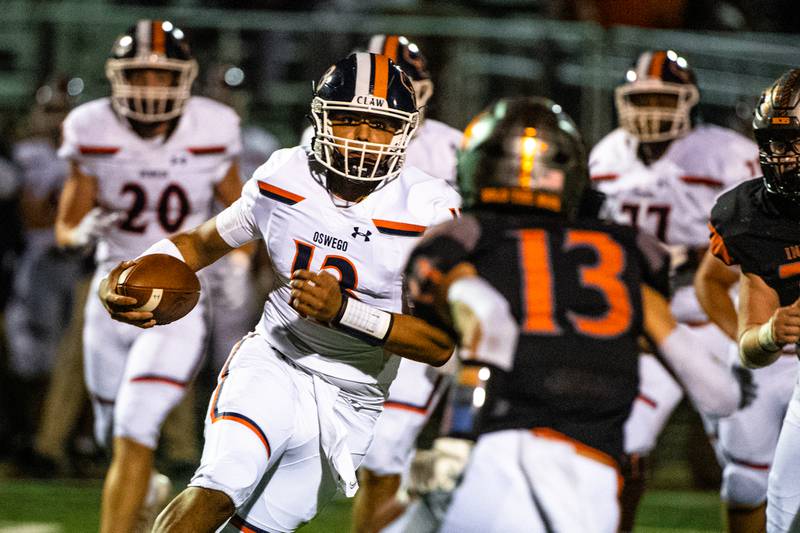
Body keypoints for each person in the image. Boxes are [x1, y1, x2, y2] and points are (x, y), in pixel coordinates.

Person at [292, 96, 744, 532]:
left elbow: (488, 324)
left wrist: (454, 441)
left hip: (492, 455)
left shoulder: (466, 237)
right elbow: (720, 394)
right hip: (592, 479)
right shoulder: (625, 250)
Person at [98, 52, 460, 532]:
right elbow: (202, 242)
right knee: (220, 486)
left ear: (405, 130)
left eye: (379, 124)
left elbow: (438, 344)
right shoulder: (286, 177)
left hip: (354, 394)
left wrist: (346, 313)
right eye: (348, 120)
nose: (362, 138)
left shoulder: (430, 211)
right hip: (275, 359)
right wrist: (129, 274)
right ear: (321, 119)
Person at [55, 19, 243, 533]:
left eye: (163, 77)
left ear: (186, 79)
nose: (151, 88)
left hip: (180, 299)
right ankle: (153, 488)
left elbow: (244, 206)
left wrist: (245, 257)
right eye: (140, 74)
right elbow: (65, 227)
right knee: (108, 428)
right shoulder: (90, 126)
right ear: (117, 76)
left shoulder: (215, 126)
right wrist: (79, 232)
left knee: (133, 430)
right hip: (111, 290)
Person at [589, 49, 759, 530]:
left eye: (664, 100)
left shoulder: (727, 153)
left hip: (717, 319)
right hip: (648, 324)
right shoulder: (606, 155)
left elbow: (759, 235)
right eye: (642, 99)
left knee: (748, 472)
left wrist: (690, 255)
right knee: (619, 452)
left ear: (689, 101)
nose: (652, 112)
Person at [340, 34, 463, 533]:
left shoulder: (458, 146)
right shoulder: (323, 141)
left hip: (420, 313)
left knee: (383, 452)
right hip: (347, 305)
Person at [708, 68, 800, 533]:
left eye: (793, 143)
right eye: (775, 143)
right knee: (779, 514)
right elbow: (750, 344)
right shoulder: (751, 217)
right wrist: (772, 333)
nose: (780, 158)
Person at [695, 248, 796, 533]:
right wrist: (747, 339)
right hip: (760, 367)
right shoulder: (757, 218)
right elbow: (709, 281)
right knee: (745, 482)